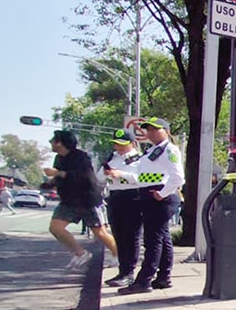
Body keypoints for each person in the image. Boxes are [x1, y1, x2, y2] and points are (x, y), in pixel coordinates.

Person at [118, 117, 185, 295]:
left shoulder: (169, 150)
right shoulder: (153, 150)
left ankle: (144, 280)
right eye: (148, 130)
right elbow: (143, 174)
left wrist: (161, 194)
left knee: (152, 240)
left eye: (156, 129)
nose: (151, 133)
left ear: (166, 131)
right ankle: (163, 277)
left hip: (160, 197)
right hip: (152, 196)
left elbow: (178, 177)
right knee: (162, 237)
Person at [44, 130, 118, 270]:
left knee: (99, 232)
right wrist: (51, 183)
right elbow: (61, 177)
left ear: (60, 142)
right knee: (55, 228)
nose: (50, 142)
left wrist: (58, 173)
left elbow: (86, 178)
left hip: (88, 200)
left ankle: (118, 256)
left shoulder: (81, 157)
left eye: (53, 140)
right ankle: (80, 253)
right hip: (69, 200)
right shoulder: (59, 158)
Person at [102, 128, 144, 287]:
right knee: (119, 235)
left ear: (133, 143)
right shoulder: (111, 158)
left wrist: (122, 174)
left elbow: (142, 179)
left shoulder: (140, 159)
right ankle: (122, 270)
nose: (119, 148)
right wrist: (108, 173)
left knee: (131, 236)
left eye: (123, 144)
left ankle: (129, 272)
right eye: (116, 144)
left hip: (133, 197)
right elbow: (99, 177)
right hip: (115, 196)